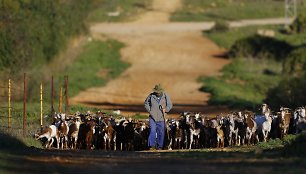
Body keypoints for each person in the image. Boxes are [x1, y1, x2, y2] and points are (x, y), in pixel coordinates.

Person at [144, 84, 173, 150]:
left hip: (161, 117)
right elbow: (146, 103)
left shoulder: (165, 96)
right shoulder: (151, 96)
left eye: (159, 92)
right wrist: (150, 110)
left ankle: (159, 146)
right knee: (152, 130)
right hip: (152, 117)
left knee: (161, 132)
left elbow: (170, 105)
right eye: (157, 92)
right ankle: (152, 146)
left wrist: (166, 109)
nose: (158, 93)